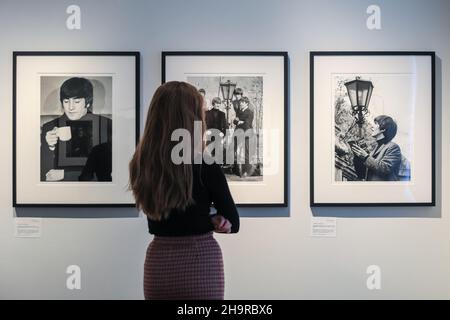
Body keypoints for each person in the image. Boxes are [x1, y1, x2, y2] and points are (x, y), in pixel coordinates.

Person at [129, 81, 240, 300]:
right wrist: (215, 219)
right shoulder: (204, 164)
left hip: (158, 260)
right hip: (199, 260)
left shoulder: (141, 162)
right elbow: (233, 222)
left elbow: (162, 212)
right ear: (193, 118)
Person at [40, 77, 112, 181]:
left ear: (87, 103)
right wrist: (50, 147)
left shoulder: (105, 125)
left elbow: (109, 173)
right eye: (66, 101)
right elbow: (43, 174)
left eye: (77, 102)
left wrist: (67, 175)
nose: (70, 107)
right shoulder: (49, 127)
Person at [351, 115, 402, 181]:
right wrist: (358, 158)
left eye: (376, 124)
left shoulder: (393, 147)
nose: (372, 126)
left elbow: (385, 168)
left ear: (383, 129)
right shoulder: (374, 149)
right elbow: (362, 175)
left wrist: (366, 157)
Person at [232, 97, 255, 177]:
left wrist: (240, 121)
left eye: (242, 102)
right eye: (240, 102)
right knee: (237, 151)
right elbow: (234, 121)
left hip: (246, 134)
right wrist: (239, 121)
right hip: (238, 133)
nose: (240, 104)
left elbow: (248, 123)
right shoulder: (239, 111)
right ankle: (239, 170)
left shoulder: (250, 112)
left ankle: (246, 171)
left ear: (246, 103)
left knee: (246, 152)